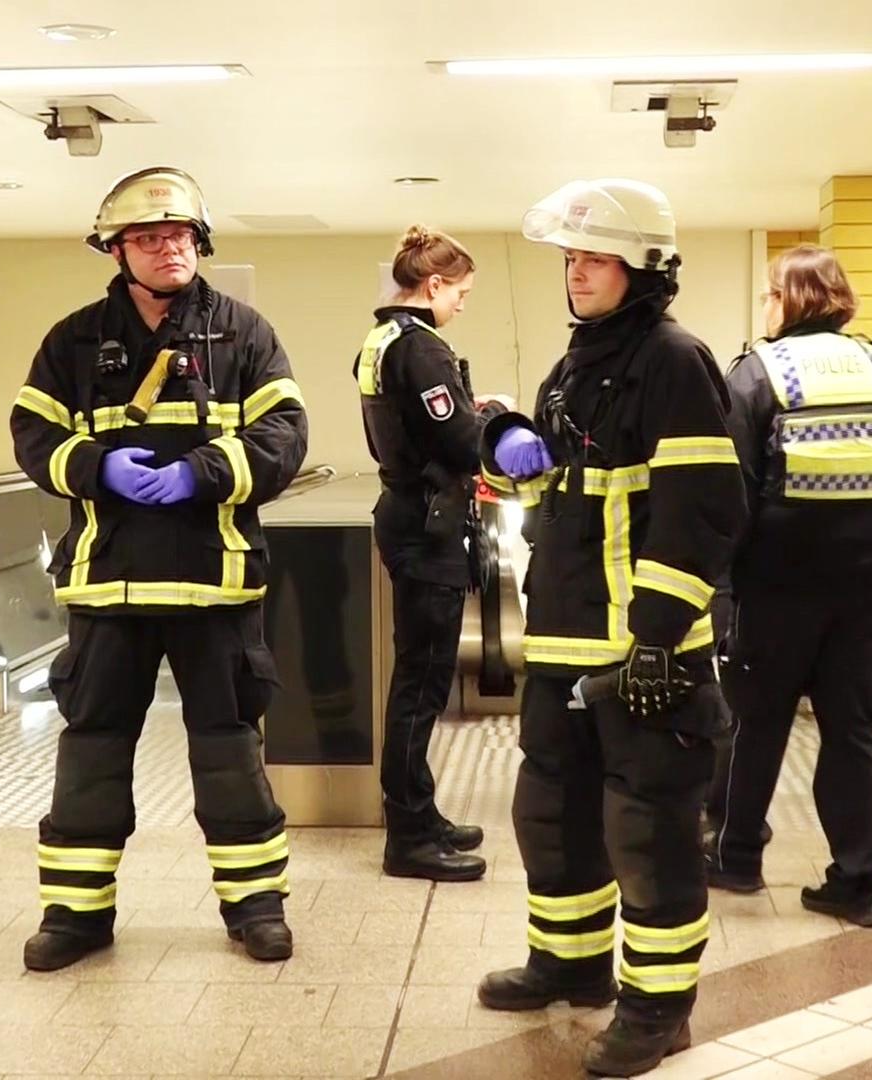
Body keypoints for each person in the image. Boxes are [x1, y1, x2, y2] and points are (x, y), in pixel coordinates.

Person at [473, 179, 747, 1078]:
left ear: (644, 267)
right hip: (560, 646)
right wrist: (507, 436)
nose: (577, 273)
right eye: (571, 259)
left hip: (642, 653)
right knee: (552, 817)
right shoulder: (577, 365)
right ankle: (571, 963)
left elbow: (704, 508)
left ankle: (659, 1008)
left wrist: (662, 639)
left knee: (651, 832)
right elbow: (550, 482)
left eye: (594, 258)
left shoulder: (675, 360)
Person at [10, 166, 308, 971]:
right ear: (117, 251)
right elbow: (32, 435)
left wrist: (199, 474)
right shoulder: (72, 340)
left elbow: (285, 435)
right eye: (148, 237)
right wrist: (94, 467)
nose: (167, 247)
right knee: (92, 750)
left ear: (199, 242)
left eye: (179, 235)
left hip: (213, 583)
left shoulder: (245, 333)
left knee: (229, 750)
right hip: (108, 585)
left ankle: (255, 907)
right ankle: (75, 916)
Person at [703, 244, 872, 929]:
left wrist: (723, 594)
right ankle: (859, 883)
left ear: (788, 301)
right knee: (853, 732)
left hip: (777, 587)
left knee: (756, 723)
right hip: (865, 592)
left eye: (769, 294)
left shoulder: (758, 373)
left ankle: (736, 856)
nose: (763, 306)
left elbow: (728, 493)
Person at [353, 225, 501, 882]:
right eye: (461, 292)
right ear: (434, 285)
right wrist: (494, 419)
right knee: (421, 684)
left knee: (418, 678)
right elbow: (461, 443)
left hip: (405, 513)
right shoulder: (422, 348)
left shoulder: (379, 341)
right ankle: (409, 834)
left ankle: (419, 809)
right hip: (429, 525)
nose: (463, 304)